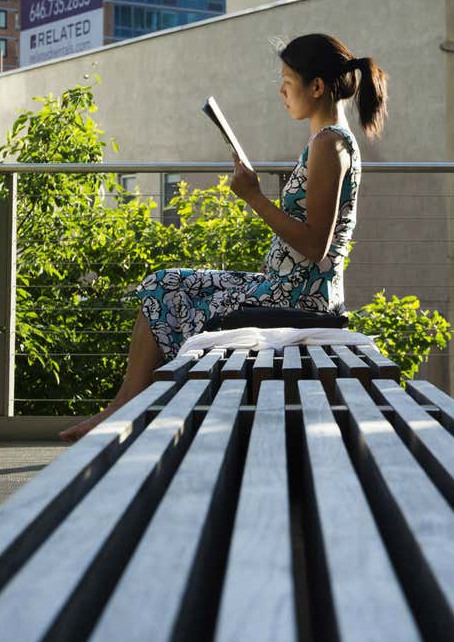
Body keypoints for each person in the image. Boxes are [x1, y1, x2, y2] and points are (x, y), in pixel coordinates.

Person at [59, 33, 389, 441]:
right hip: (287, 287)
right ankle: (127, 408)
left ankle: (125, 410)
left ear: (317, 87)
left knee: (164, 286)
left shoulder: (329, 145)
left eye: (288, 80)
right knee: (165, 283)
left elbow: (313, 244)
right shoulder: (330, 142)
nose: (281, 90)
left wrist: (252, 197)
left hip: (299, 298)